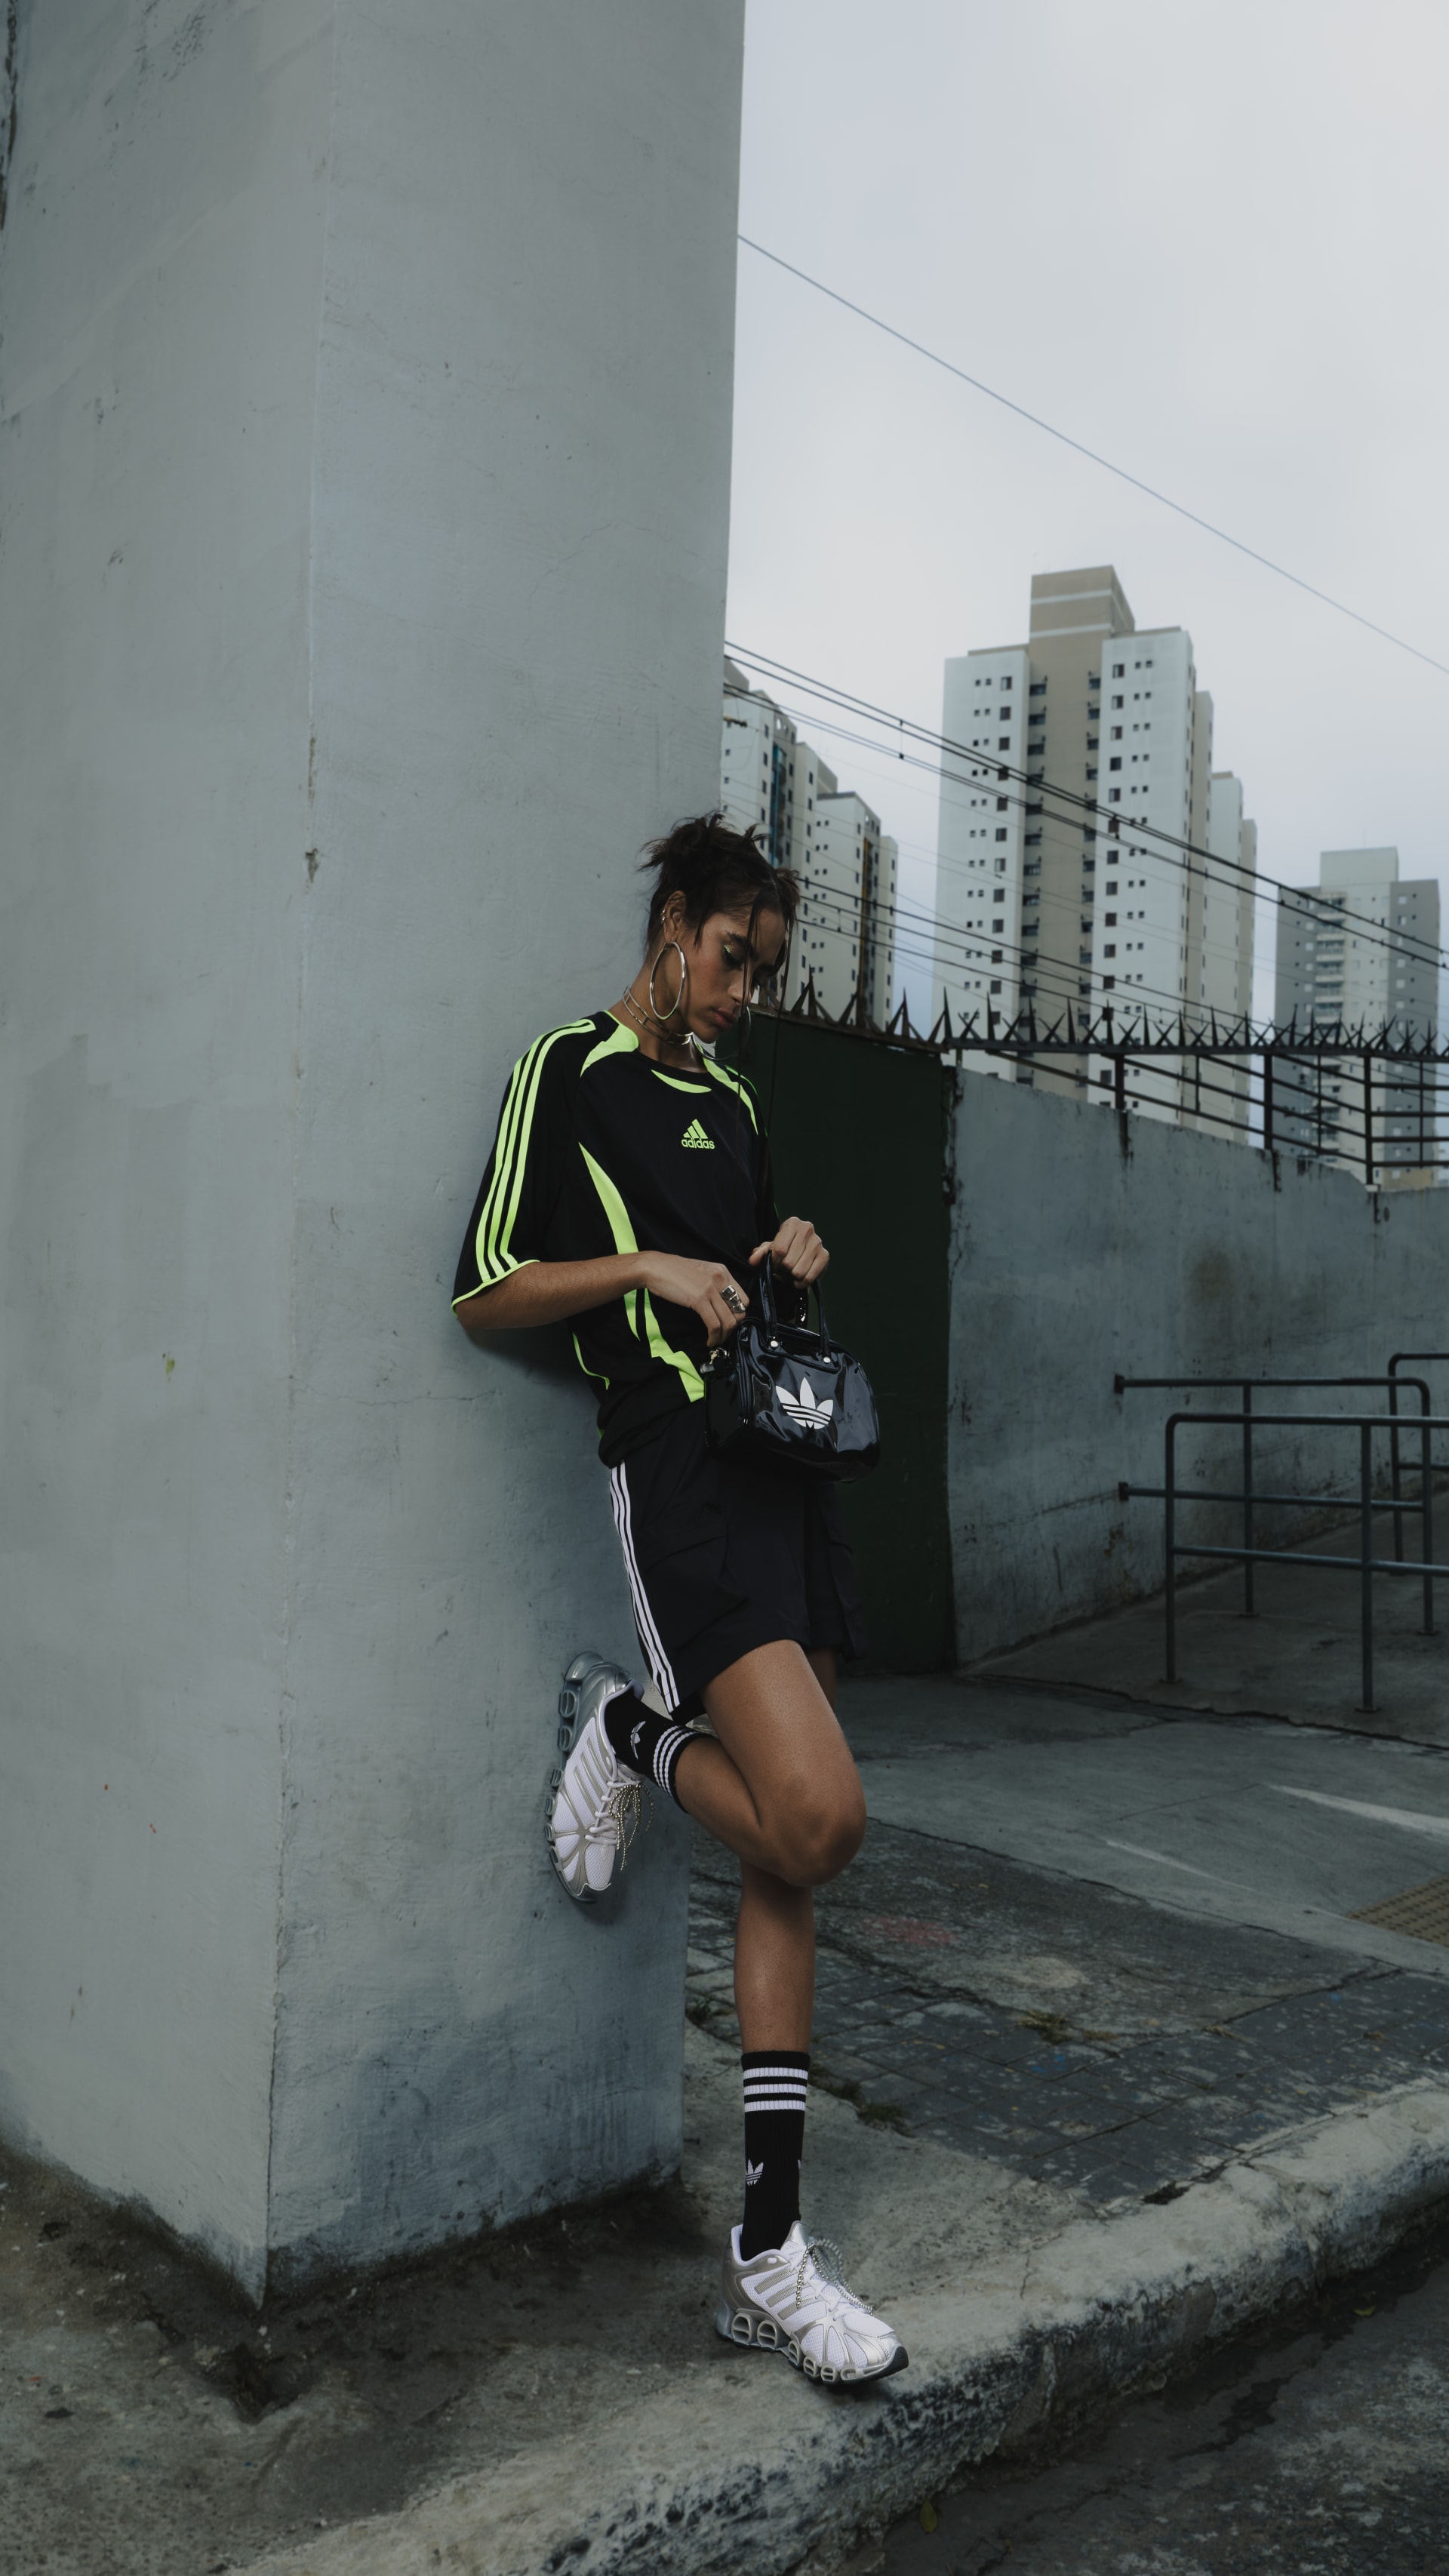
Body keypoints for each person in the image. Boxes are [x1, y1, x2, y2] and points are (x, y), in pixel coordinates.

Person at [452, 812, 906, 2387]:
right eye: (730, 960)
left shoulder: (743, 1102)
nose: (738, 997)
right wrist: (644, 1270)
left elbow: (762, 1306)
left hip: (783, 1472)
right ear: (670, 924)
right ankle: (633, 1731)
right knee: (818, 1816)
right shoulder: (573, 1070)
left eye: (761, 975)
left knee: (793, 1855)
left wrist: (790, 1263)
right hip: (678, 1472)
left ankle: (772, 2255)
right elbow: (487, 1282)